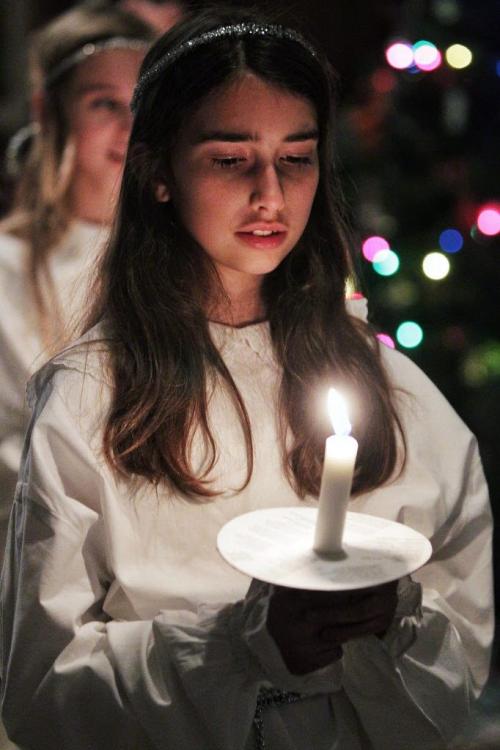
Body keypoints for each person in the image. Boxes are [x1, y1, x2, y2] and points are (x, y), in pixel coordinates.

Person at [0, 7, 493, 750]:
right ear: (159, 171)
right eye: (232, 160)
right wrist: (232, 649)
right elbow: (44, 692)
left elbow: (467, 632)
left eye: (296, 157)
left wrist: (388, 632)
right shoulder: (92, 398)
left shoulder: (387, 385)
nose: (271, 195)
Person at [0, 6, 156, 558]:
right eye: (103, 104)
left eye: (142, 105)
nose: (129, 127)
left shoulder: (178, 264)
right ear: (50, 112)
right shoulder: (9, 270)